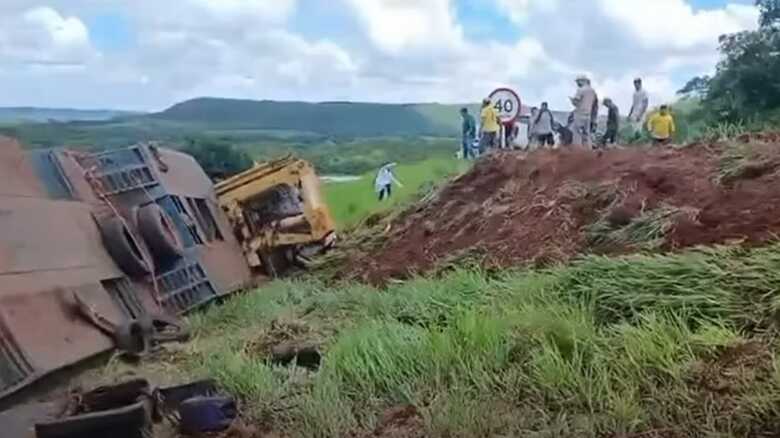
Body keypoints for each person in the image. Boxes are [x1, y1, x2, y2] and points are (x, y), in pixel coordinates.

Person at [570, 74, 597, 148]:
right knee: (586, 134)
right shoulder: (592, 91)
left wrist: (572, 101)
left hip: (579, 113)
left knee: (577, 133)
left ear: (582, 81)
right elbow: (594, 104)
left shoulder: (581, 90)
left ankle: (577, 150)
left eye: (578, 82)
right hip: (588, 114)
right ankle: (588, 150)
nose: (577, 83)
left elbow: (576, 102)